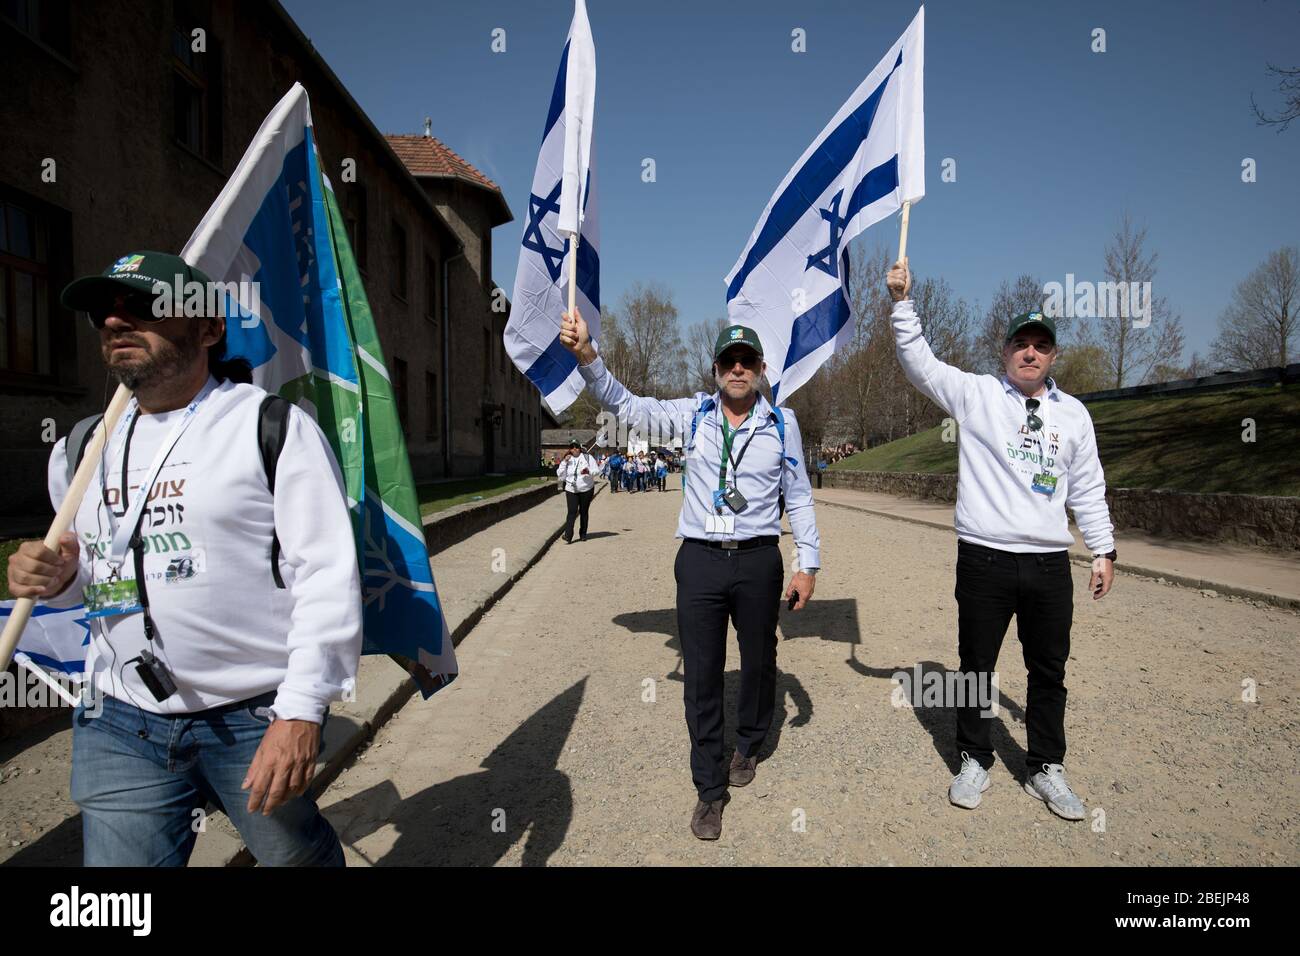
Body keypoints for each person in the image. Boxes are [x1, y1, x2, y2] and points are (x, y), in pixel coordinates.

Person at [5, 251, 361, 865]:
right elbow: (90, 578)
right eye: (103, 314)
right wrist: (59, 578)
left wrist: (301, 712)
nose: (116, 323)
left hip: (252, 716)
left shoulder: (269, 427)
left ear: (207, 328)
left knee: (295, 860)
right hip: (119, 718)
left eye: (141, 307)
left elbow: (326, 574)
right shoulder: (79, 448)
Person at [559, 309, 821, 841]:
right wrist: (588, 355)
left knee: (760, 659)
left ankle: (749, 740)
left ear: (762, 368)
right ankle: (709, 790)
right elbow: (626, 406)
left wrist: (807, 563)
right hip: (700, 559)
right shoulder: (692, 415)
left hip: (758, 558)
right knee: (702, 674)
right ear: (716, 368)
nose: (739, 369)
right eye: (730, 360)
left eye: (748, 361)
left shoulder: (781, 424)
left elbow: (798, 497)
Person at [886, 257, 1116, 823]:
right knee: (976, 667)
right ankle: (973, 756)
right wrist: (901, 303)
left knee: (1048, 669)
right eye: (1021, 343)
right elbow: (920, 364)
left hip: (1047, 564)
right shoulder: (978, 395)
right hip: (985, 558)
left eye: (1041, 344)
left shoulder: (1075, 416)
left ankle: (1046, 766)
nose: (1030, 353)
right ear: (1006, 351)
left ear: (1053, 355)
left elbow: (1087, 487)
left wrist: (1103, 548)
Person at [557, 439, 597, 543]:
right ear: (570, 449)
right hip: (571, 489)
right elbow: (560, 474)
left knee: (584, 511)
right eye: (572, 447)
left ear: (580, 448)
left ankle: (583, 534)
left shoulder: (588, 458)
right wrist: (564, 462)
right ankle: (568, 535)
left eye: (576, 446)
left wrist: (588, 471)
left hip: (586, 489)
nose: (574, 449)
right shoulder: (567, 459)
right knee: (572, 512)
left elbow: (596, 471)